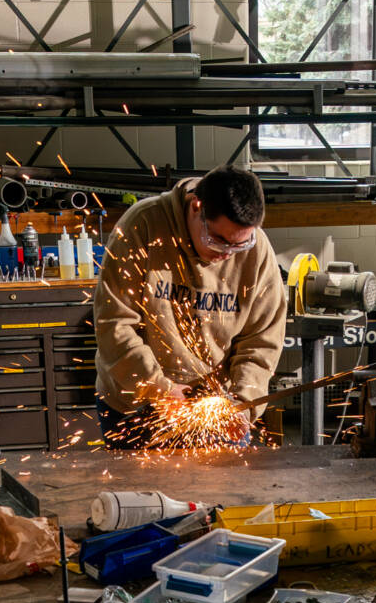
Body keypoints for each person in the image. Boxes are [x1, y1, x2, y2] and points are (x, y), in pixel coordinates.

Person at [93, 165, 287, 448]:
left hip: (216, 405)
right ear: (197, 207)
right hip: (137, 404)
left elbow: (262, 339)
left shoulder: (257, 252)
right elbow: (114, 323)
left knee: (225, 491)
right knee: (139, 492)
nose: (226, 254)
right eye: (218, 241)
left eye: (239, 246)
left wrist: (244, 402)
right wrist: (158, 389)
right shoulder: (143, 226)